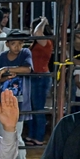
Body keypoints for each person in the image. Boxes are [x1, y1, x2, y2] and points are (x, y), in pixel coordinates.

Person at [0, 30, 33, 159]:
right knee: (5, 133)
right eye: (14, 43)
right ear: (7, 44)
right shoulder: (2, 57)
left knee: (17, 134)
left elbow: (27, 69)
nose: (17, 47)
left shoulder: (25, 53)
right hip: (5, 98)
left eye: (20, 43)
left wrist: (6, 69)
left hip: (20, 99)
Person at [27, 16, 53, 146]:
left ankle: (39, 136)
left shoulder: (45, 41)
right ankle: (32, 135)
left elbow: (37, 33)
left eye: (32, 28)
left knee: (38, 108)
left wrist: (43, 21)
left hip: (40, 76)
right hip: (34, 76)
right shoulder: (38, 42)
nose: (32, 31)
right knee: (32, 108)